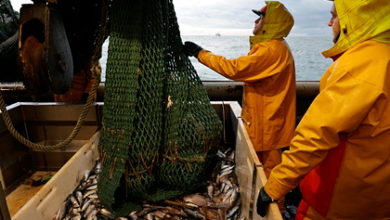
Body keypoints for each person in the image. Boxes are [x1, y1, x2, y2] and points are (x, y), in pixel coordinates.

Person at [256, 0, 390, 219]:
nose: (329, 23)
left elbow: (316, 135)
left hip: (335, 206)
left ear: (353, 20)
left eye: (334, 16)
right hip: (377, 203)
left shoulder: (359, 64)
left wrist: (276, 185)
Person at [183, 1, 296, 180]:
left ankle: (275, 207)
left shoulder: (271, 50)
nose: (255, 21)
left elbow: (235, 69)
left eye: (260, 17)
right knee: (264, 171)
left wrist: (200, 53)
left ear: (271, 23)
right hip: (267, 122)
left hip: (268, 125)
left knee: (268, 173)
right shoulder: (274, 47)